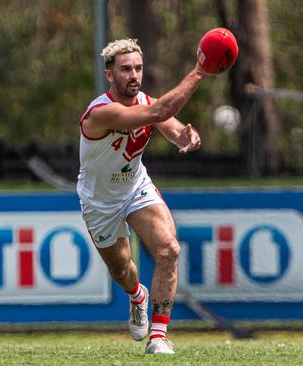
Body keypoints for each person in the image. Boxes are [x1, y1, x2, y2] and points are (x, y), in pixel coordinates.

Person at [77, 38, 208, 355]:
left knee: (169, 249)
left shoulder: (145, 101)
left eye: (137, 68)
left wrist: (187, 137)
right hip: (100, 200)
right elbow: (161, 110)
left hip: (136, 187)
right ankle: (137, 296)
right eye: (124, 69)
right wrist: (201, 71)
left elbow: (172, 125)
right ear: (109, 75)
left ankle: (159, 335)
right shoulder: (101, 113)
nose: (133, 75)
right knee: (122, 270)